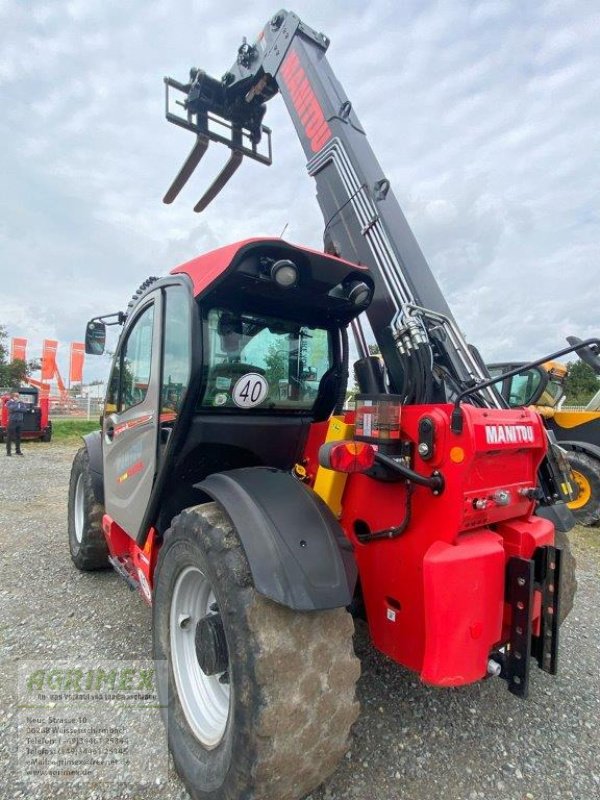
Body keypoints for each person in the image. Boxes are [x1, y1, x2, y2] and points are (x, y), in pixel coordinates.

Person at [5, 390, 28, 456]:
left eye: (18, 396)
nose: (17, 397)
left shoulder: (21, 402)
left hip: (20, 421)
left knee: (18, 436)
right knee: (10, 437)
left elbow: (24, 410)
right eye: (16, 395)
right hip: (12, 421)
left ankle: (18, 451)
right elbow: (11, 409)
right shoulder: (9, 402)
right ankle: (8, 452)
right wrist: (16, 404)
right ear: (12, 396)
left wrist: (18, 407)